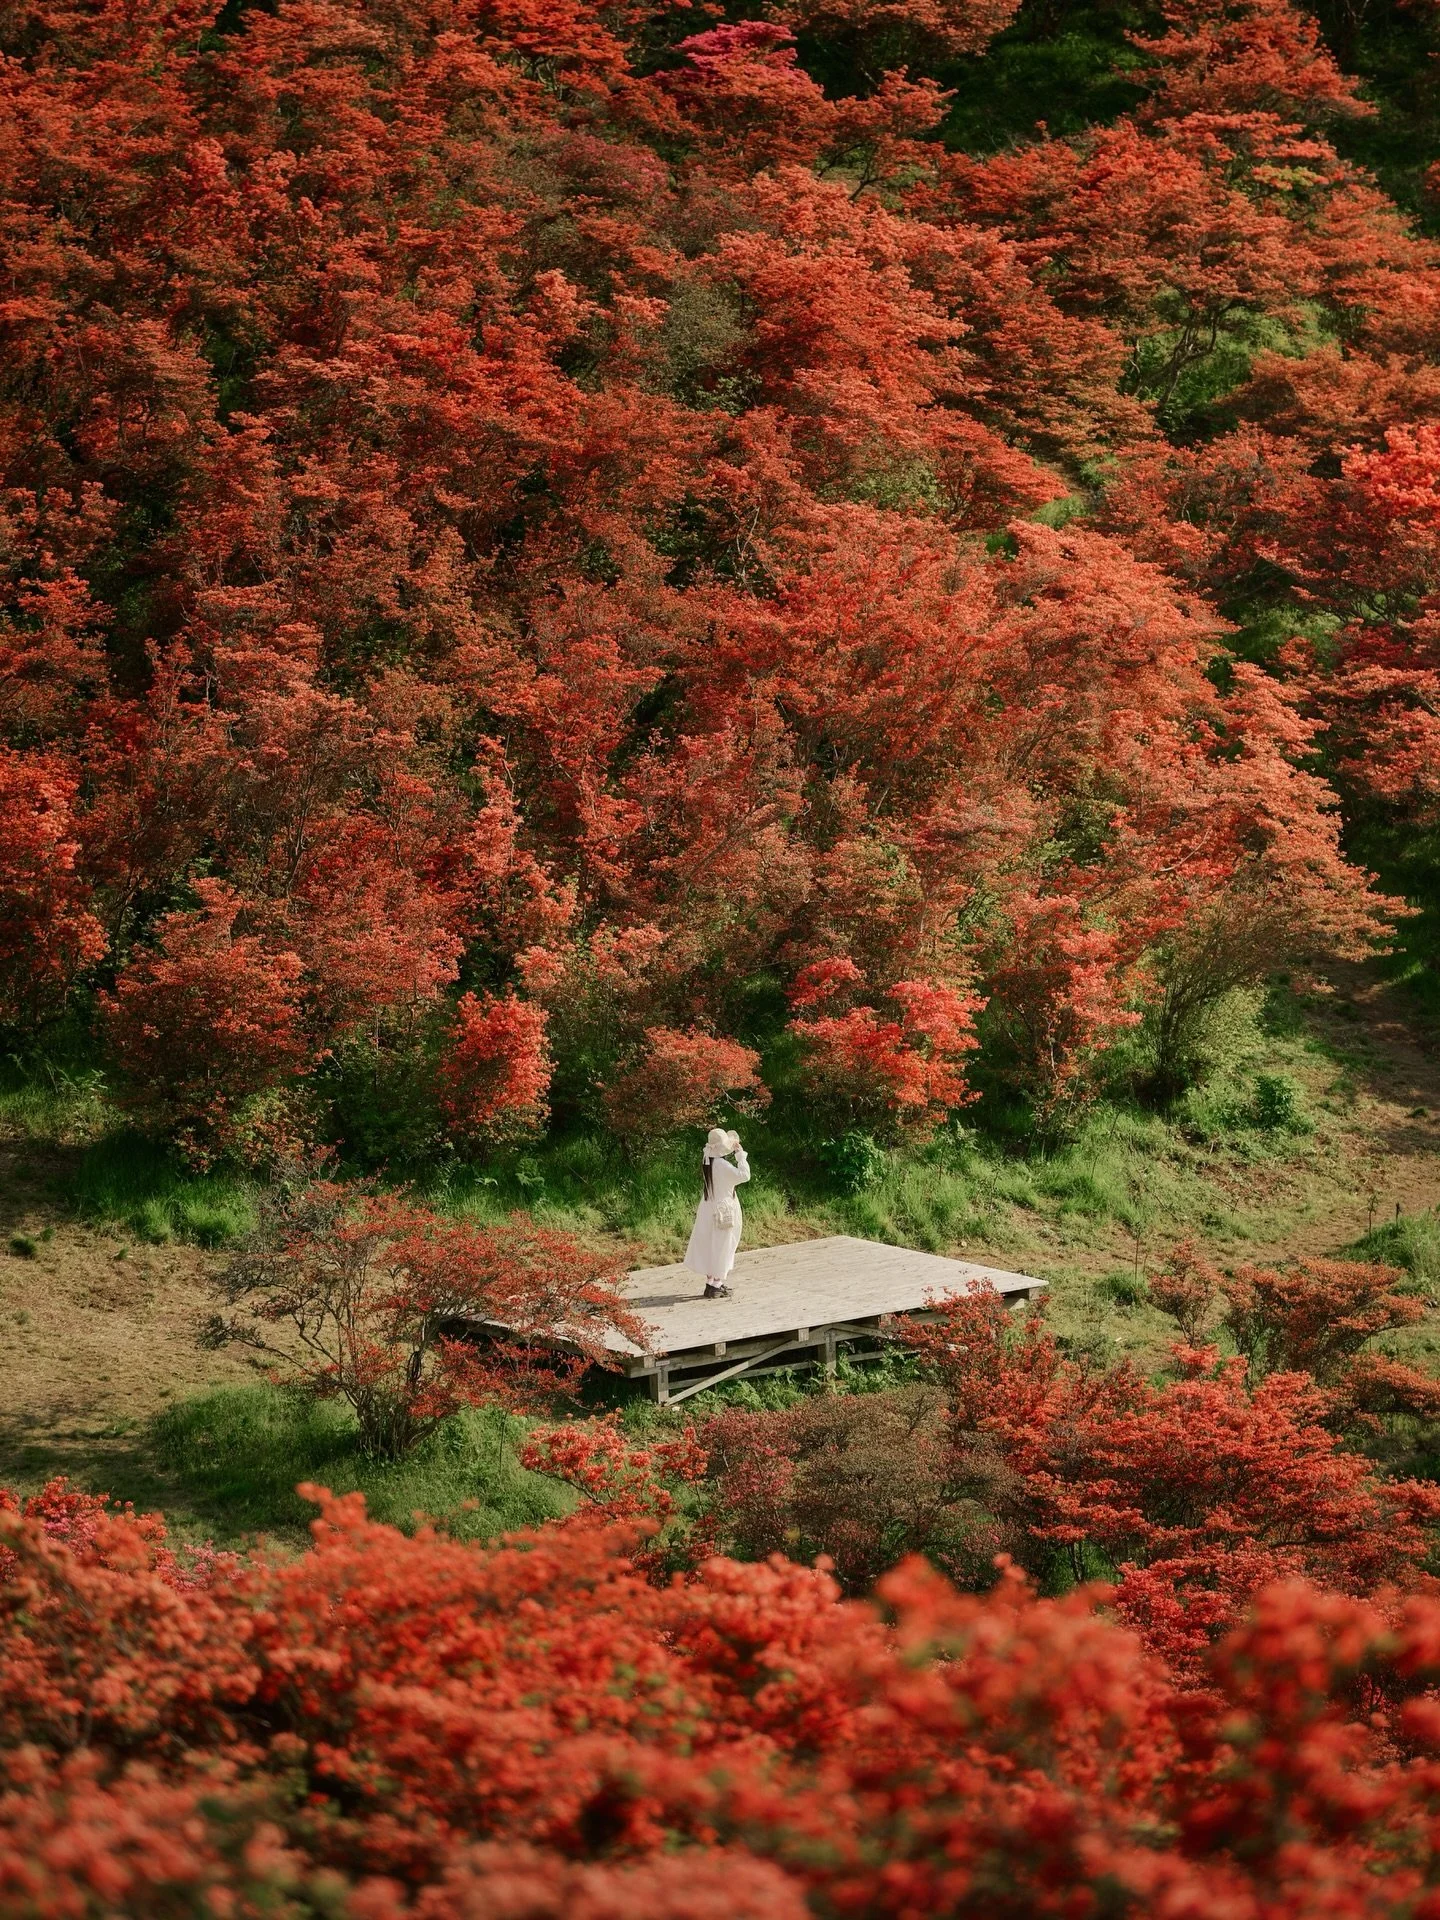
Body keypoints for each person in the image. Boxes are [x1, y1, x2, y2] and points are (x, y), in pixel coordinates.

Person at [684, 1126, 749, 1298]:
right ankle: (717, 1285)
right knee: (723, 1245)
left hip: (708, 1207)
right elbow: (744, 1175)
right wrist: (740, 1156)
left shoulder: (707, 1162)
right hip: (724, 1209)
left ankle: (711, 1282)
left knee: (711, 1244)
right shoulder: (722, 1165)